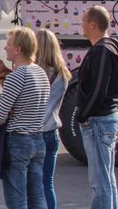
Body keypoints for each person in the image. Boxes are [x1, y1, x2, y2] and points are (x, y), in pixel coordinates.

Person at [75, 6, 118, 209]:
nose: (81, 25)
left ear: (93, 25)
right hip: (104, 119)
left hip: (98, 121)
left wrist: (83, 115)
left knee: (100, 182)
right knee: (106, 179)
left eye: (83, 22)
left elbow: (98, 90)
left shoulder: (102, 51)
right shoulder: (110, 47)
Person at [0, 26, 50, 209]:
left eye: (9, 45)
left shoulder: (16, 77)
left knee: (17, 199)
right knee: (37, 196)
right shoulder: (40, 72)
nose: (5, 48)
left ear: (18, 49)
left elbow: (1, 116)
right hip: (38, 138)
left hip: (18, 141)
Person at [36, 29, 71, 209]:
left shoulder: (36, 74)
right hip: (52, 132)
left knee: (33, 185)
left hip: (37, 133)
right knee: (47, 183)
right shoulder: (62, 74)